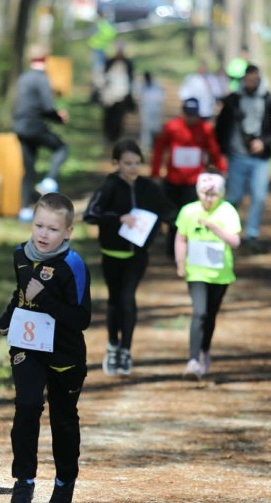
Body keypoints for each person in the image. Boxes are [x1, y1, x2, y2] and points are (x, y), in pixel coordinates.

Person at [0, 193, 91, 503]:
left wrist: (47, 301)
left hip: (65, 354)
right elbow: (21, 293)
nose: (43, 234)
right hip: (28, 348)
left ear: (68, 232)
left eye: (52, 229)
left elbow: (82, 318)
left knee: (63, 420)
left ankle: (65, 481)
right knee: (27, 405)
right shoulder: (20, 254)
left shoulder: (73, 265)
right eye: (39, 225)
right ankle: (24, 478)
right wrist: (9, 317)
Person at [84, 138, 176, 377]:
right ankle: (112, 344)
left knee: (127, 298)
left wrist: (186, 225)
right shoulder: (109, 186)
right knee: (115, 300)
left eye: (137, 163)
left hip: (137, 256)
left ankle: (126, 350)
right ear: (116, 163)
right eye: (127, 163)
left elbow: (169, 212)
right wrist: (118, 218)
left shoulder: (147, 187)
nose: (133, 168)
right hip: (112, 255)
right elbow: (91, 214)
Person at [174, 171, 242, 380]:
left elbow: (236, 242)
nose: (208, 198)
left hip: (220, 274)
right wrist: (180, 262)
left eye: (213, 194)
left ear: (221, 194)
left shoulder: (227, 211)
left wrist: (215, 228)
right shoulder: (188, 211)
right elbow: (181, 238)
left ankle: (204, 351)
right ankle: (193, 360)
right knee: (199, 312)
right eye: (204, 193)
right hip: (196, 271)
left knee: (210, 315)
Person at [214, 64, 271, 254]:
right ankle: (227, 231)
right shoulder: (233, 100)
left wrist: (264, 142)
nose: (251, 83)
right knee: (233, 197)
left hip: (260, 158)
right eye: (248, 79)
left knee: (259, 197)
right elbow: (220, 126)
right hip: (237, 156)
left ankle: (252, 234)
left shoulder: (270, 100)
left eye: (255, 79)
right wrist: (220, 151)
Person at [151, 97, 225, 257]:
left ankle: (192, 250)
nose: (191, 118)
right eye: (188, 114)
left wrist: (221, 170)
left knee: (193, 216)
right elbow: (159, 149)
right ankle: (172, 249)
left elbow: (214, 151)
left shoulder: (205, 129)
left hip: (194, 182)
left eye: (194, 115)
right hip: (173, 180)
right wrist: (155, 173)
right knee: (173, 216)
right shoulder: (172, 127)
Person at [12, 45, 70, 224]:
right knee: (61, 148)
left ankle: (24, 210)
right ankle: (49, 181)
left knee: (28, 169)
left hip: (21, 127)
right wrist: (59, 117)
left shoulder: (23, 78)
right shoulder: (42, 78)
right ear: (46, 59)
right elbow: (47, 106)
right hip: (36, 127)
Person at [99, 42, 135, 143]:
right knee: (108, 117)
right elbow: (103, 77)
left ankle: (116, 137)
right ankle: (108, 136)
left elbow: (131, 80)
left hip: (122, 96)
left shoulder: (128, 63)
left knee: (119, 118)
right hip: (109, 96)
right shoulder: (110, 62)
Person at [136, 71, 165, 156]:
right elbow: (138, 98)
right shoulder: (141, 86)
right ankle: (146, 148)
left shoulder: (157, 86)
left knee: (156, 130)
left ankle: (155, 147)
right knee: (145, 130)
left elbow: (161, 99)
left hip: (155, 111)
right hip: (145, 111)